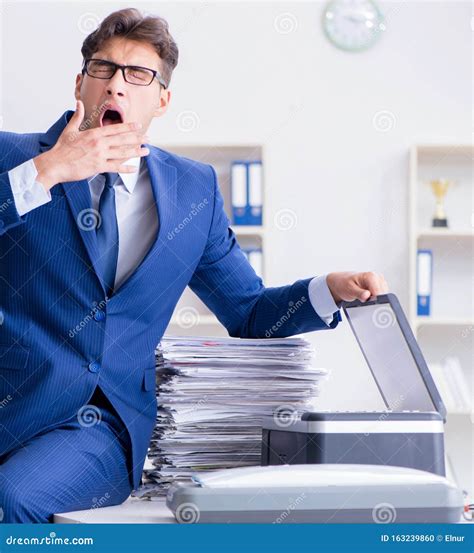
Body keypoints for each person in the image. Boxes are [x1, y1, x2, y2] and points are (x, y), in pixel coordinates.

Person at [0, 8, 388, 522]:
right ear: (80, 84)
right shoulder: (16, 158)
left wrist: (328, 291)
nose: (117, 85)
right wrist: (48, 172)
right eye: (103, 69)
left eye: (138, 75)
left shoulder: (192, 192)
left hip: (93, 425)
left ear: (162, 99)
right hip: (12, 400)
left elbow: (248, 312)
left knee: (13, 499)